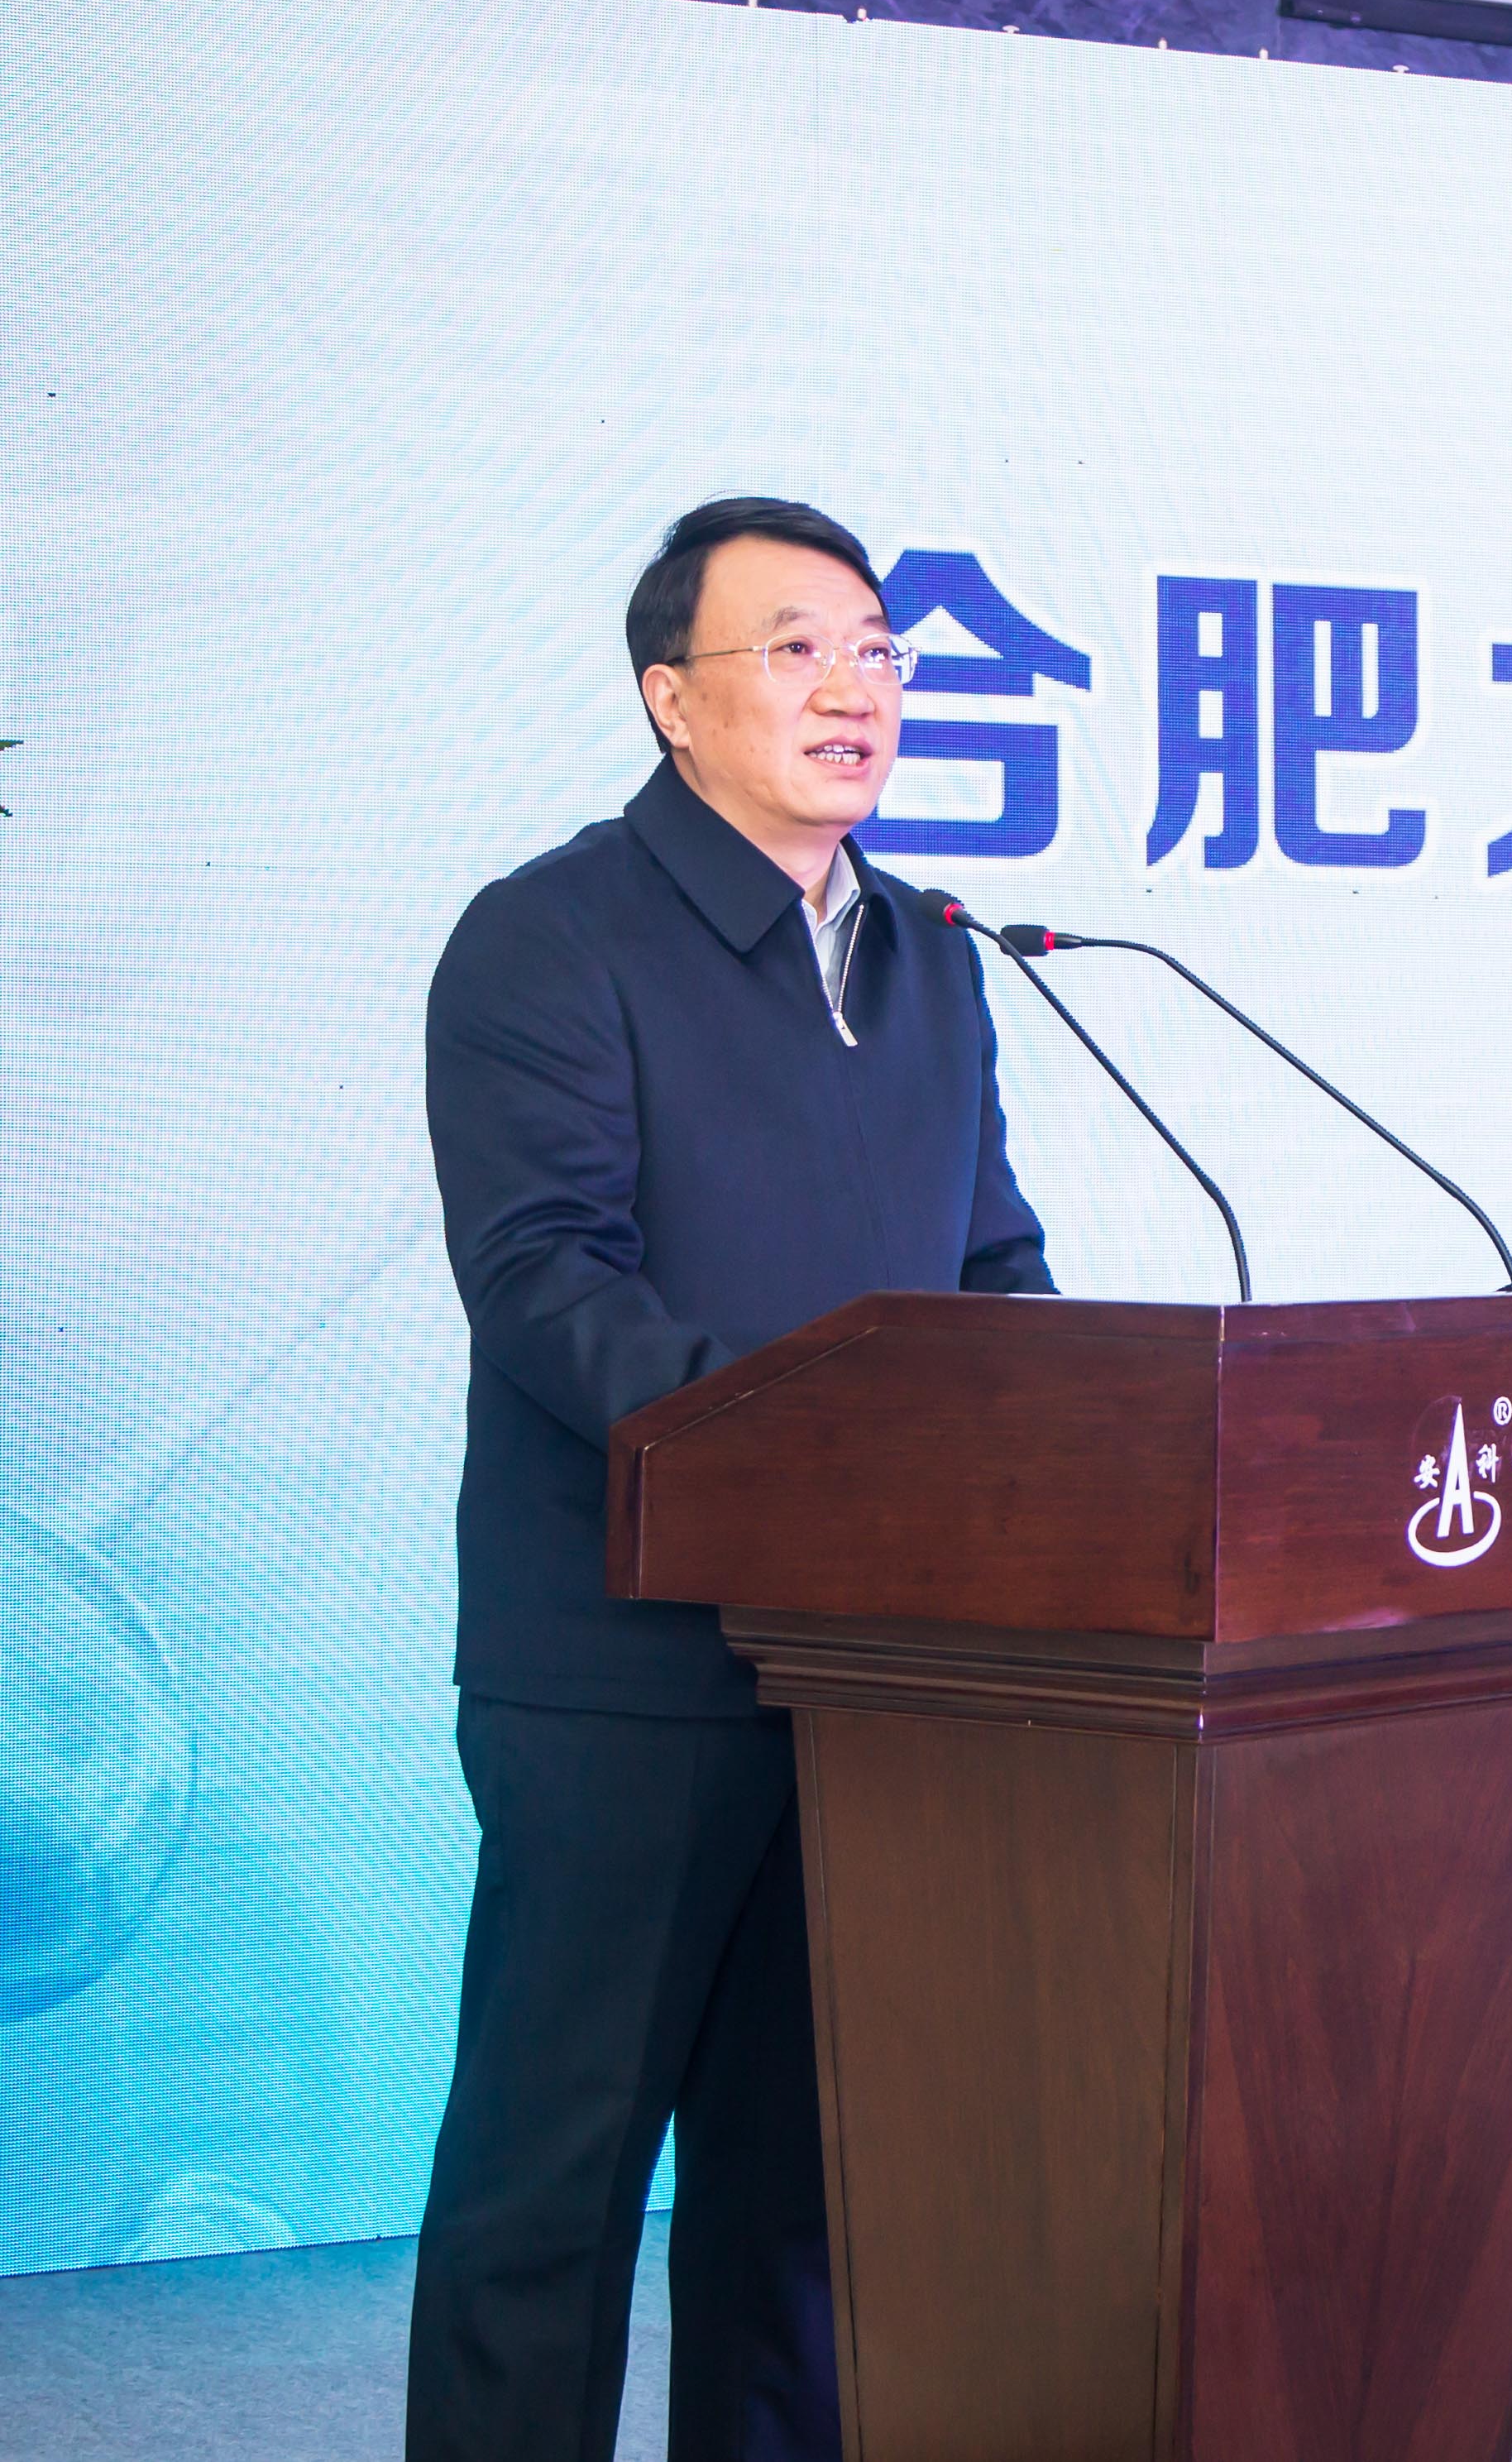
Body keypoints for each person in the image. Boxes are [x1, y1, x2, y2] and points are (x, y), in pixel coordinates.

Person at [404, 499, 1051, 2462]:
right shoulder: (552, 934)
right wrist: (830, 1457)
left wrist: (1066, 1426)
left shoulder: (933, 952)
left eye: (876, 648)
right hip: (624, 1669)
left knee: (805, 2203)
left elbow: (995, 1264)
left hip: (873, 1675)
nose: (854, 686)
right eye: (795, 647)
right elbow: (546, 1279)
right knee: (552, 2188)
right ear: (669, 698)